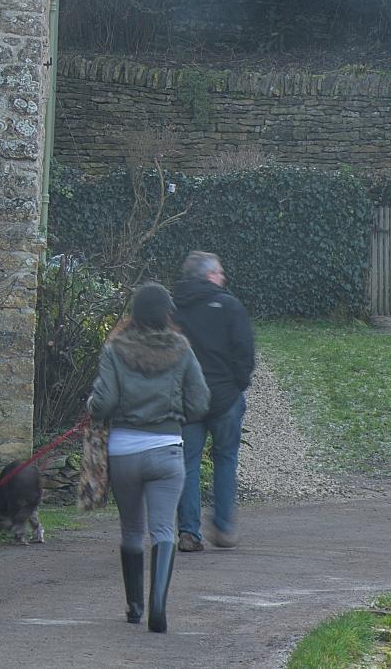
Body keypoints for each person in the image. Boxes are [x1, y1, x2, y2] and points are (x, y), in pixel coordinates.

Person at [88, 280, 209, 634]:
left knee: (131, 529)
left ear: (134, 314)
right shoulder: (182, 349)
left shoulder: (115, 349)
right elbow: (200, 402)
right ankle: (158, 607)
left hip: (124, 450)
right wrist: (174, 413)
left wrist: (92, 406)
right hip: (167, 450)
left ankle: (134, 606)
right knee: (162, 529)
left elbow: (104, 402)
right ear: (166, 314)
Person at [172, 249, 256, 552]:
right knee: (225, 460)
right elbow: (244, 352)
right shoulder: (230, 307)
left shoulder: (174, 307)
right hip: (225, 397)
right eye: (220, 272)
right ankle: (223, 526)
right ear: (209, 275)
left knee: (187, 464)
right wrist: (238, 386)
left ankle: (188, 532)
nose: (224, 277)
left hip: (186, 400)